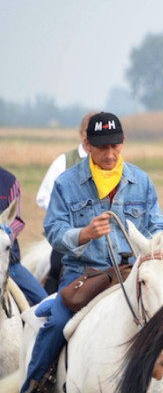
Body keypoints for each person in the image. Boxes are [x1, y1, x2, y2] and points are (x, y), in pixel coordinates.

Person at [10, 112, 163, 393]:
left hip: (129, 272)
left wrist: (156, 244)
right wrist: (83, 234)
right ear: (87, 144)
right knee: (57, 322)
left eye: (115, 146)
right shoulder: (67, 183)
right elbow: (53, 229)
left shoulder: (141, 181)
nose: (110, 155)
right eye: (102, 148)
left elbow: (158, 223)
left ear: (123, 143)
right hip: (83, 274)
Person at [37, 112, 96, 293]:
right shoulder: (64, 161)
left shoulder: (109, 163)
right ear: (81, 135)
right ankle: (48, 304)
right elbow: (43, 196)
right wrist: (66, 214)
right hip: (67, 233)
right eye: (89, 130)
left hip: (98, 237)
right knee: (56, 267)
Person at [0, 166, 48, 306]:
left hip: (9, 263)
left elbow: (17, 220)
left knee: (44, 303)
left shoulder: (9, 181)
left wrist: (5, 232)